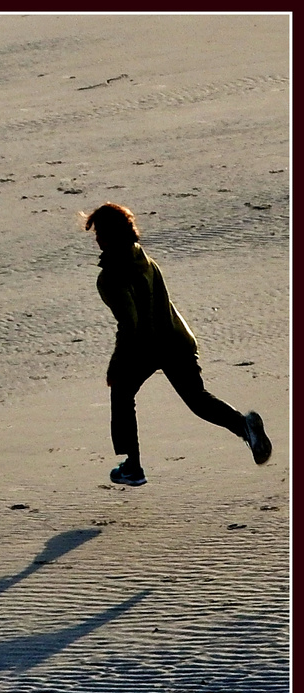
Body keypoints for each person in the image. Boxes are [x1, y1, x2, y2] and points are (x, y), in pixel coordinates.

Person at [84, 202, 272, 486]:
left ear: (110, 235)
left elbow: (129, 325)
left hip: (150, 346)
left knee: (121, 391)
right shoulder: (143, 258)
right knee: (197, 399)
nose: (96, 238)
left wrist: (116, 365)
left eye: (99, 231)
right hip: (176, 339)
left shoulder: (111, 276)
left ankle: (132, 467)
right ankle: (244, 425)